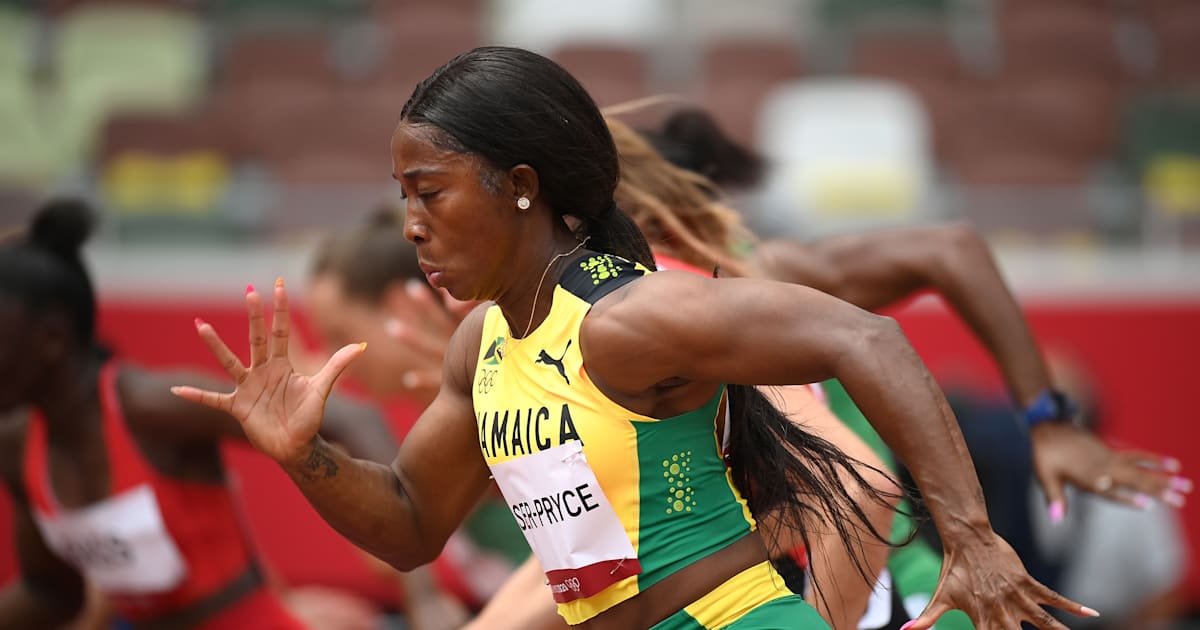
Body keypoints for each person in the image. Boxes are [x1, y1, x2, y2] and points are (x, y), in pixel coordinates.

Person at [176, 46, 1098, 629]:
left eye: (431, 192)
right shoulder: (482, 347)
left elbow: (872, 342)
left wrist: (975, 538)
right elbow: (413, 523)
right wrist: (305, 458)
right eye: (401, 198)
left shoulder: (631, 319)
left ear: (521, 185)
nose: (411, 224)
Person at [0, 199, 397, 629]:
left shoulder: (150, 406)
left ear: (53, 339)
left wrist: (421, 588)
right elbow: (50, 592)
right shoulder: (17, 445)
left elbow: (358, 419)